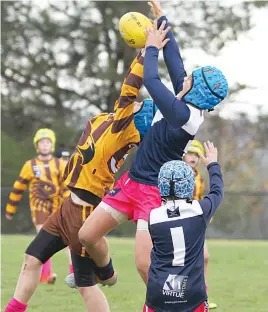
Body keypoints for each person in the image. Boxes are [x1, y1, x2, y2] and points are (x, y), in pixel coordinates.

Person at [77, 0, 228, 285]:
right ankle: (107, 275)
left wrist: (150, 46)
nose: (185, 78)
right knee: (87, 235)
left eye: (191, 79)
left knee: (144, 265)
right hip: (131, 183)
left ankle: (167, 303)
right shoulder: (186, 100)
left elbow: (151, 77)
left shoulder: (184, 114)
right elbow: (176, 61)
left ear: (196, 91)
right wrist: (163, 22)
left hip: (152, 194)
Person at [4, 48, 157, 312]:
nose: (138, 102)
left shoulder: (124, 128)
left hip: (84, 210)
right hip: (66, 207)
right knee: (31, 258)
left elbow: (130, 86)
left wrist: (145, 54)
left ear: (137, 118)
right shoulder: (110, 120)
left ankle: (107, 271)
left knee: (86, 285)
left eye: (141, 105)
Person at [143, 141, 223, 312]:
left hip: (158, 294)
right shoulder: (200, 210)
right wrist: (213, 165)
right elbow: (217, 191)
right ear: (189, 184)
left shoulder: (153, 217)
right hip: (192, 294)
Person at [5, 128, 69, 284]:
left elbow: (66, 187)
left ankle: (75, 273)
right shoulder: (30, 165)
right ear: (37, 145)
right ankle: (46, 275)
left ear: (52, 144)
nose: (45, 145)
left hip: (58, 208)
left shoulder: (60, 164)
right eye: (42, 142)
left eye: (47, 142)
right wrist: (10, 209)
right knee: (44, 238)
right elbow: (18, 187)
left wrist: (70, 208)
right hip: (39, 207)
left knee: (68, 240)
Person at [184, 140, 217, 309]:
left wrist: (206, 212)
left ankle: (202, 296)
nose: (194, 158)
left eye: (197, 155)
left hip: (196, 222)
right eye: (191, 153)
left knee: (204, 258)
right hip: (181, 222)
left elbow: (198, 199)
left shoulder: (199, 178)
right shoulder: (175, 173)